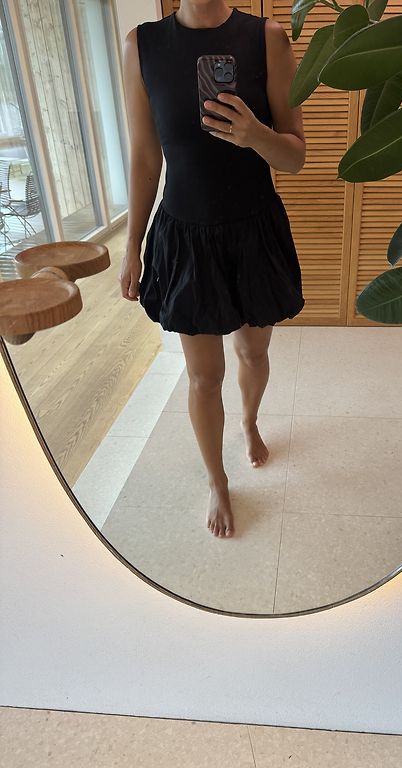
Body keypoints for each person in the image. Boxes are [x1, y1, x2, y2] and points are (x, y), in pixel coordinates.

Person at [120, 1, 306, 540]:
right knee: (204, 377)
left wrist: (256, 135)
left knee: (253, 353)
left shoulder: (267, 37)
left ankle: (248, 421)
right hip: (186, 236)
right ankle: (217, 481)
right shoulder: (141, 46)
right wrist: (132, 244)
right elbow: (145, 155)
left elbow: (295, 156)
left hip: (253, 233)